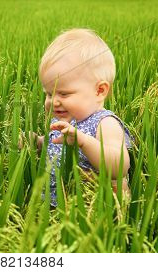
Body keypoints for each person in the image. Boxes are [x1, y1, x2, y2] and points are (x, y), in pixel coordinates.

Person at [31, 28, 133, 207]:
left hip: (91, 208)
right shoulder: (62, 120)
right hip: (53, 203)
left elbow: (120, 167)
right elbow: (54, 144)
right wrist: (38, 143)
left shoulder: (105, 123)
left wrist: (83, 142)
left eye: (63, 93)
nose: (54, 101)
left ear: (99, 91)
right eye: (48, 94)